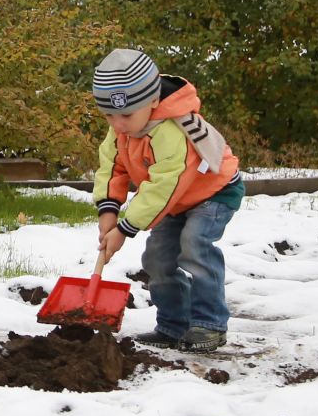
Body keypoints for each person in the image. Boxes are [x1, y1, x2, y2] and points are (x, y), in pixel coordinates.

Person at [90, 48, 244, 350]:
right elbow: (112, 167)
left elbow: (163, 185)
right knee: (158, 260)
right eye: (109, 115)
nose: (118, 124)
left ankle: (210, 324)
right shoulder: (122, 130)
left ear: (153, 101)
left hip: (213, 191)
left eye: (125, 114)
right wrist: (108, 209)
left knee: (195, 245)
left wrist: (125, 228)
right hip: (174, 200)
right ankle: (173, 325)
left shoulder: (172, 131)